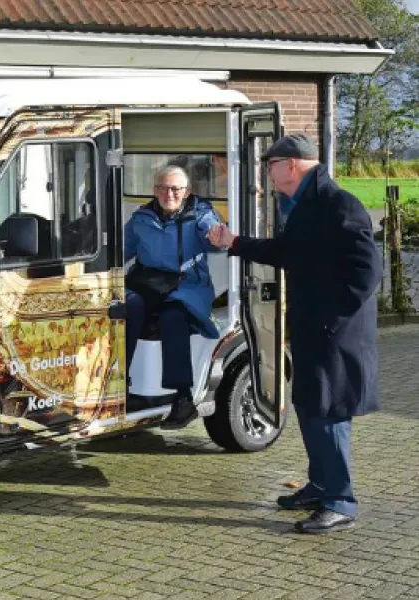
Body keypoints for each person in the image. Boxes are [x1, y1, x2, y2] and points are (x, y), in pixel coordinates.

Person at [209, 133, 381, 534]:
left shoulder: (339, 204)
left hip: (334, 333)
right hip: (312, 328)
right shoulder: (304, 205)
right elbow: (287, 253)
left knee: (329, 412)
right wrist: (235, 243)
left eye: (270, 165)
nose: (267, 174)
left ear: (292, 165)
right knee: (308, 406)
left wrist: (331, 319)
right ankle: (320, 486)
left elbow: (367, 273)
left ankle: (340, 501)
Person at [124, 165, 224, 429]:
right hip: (147, 283)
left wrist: (218, 236)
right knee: (125, 307)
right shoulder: (141, 218)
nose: (170, 193)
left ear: (187, 191)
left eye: (176, 189)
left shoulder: (199, 215)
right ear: (155, 190)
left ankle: (183, 398)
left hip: (186, 285)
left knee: (173, 316)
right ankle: (120, 384)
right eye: (164, 188)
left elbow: (213, 233)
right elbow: (119, 250)